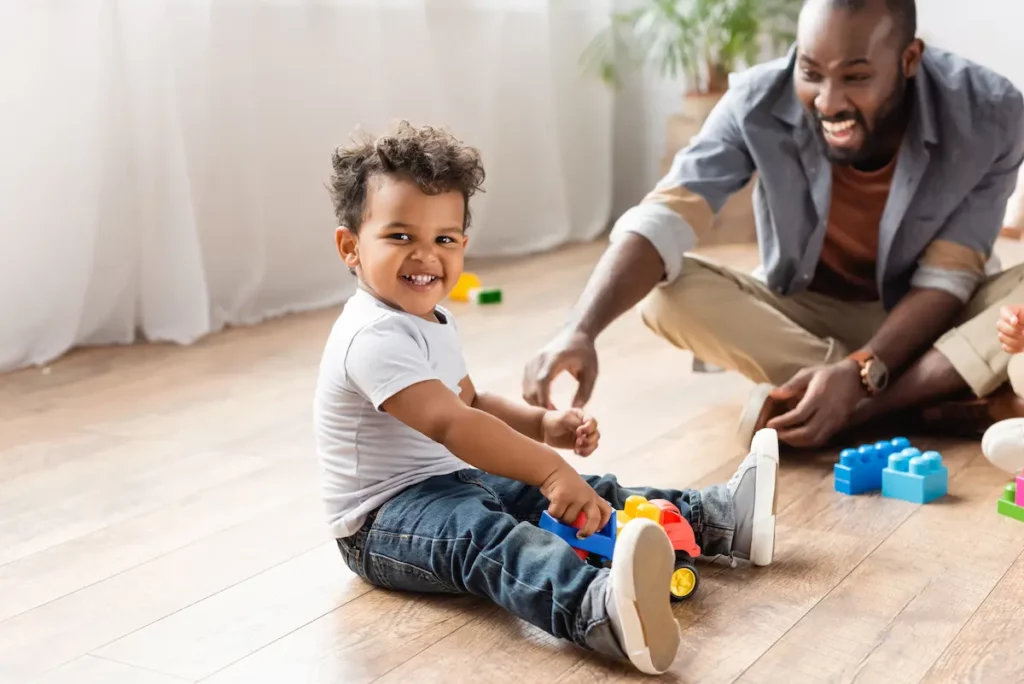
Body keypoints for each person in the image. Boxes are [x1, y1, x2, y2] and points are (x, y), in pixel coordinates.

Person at [313, 122, 780, 675]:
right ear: (350, 247)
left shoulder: (432, 319)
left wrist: (542, 425)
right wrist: (552, 469)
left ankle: (719, 520)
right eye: (399, 237)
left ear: (462, 246)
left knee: (590, 494)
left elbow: (472, 402)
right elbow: (451, 425)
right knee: (484, 536)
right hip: (384, 522)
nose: (425, 256)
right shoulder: (370, 337)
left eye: (443, 239)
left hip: (455, 479)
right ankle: (598, 609)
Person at [522, 0, 1024, 452]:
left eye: (855, 77)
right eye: (812, 72)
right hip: (808, 311)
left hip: (932, 317)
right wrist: (579, 328)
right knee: (664, 293)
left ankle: (860, 407)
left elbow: (947, 278)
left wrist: (858, 373)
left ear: (909, 59)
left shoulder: (990, 113)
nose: (828, 101)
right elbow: (667, 215)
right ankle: (920, 394)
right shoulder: (756, 102)